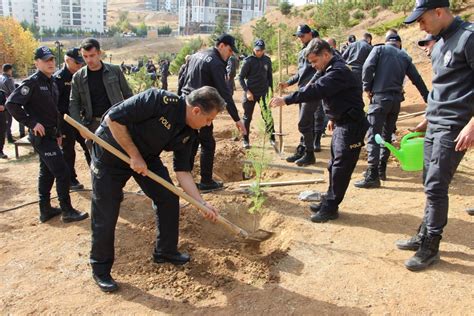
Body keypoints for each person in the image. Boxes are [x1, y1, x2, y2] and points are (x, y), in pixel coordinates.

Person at [90, 86, 222, 292]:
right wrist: (134, 155)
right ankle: (100, 268)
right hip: (112, 149)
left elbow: (183, 171)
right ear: (196, 110)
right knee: (106, 209)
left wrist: (201, 204)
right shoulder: (158, 100)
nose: (208, 124)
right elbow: (113, 119)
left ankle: (165, 251)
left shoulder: (190, 131)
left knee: (168, 197)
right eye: (208, 119)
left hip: (146, 156)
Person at [396, 0, 474, 271]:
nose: (420, 26)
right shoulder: (438, 43)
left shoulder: (468, 38)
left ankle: (431, 246)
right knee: (429, 181)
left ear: (439, 11)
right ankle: (423, 234)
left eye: (422, 19)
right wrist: (426, 119)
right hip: (435, 123)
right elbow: (441, 88)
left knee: (437, 186)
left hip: (455, 126)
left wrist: (472, 125)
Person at [270, 39, 369, 223]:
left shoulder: (337, 71)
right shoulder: (329, 67)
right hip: (341, 123)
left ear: (326, 54)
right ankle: (329, 200)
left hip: (351, 126)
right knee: (333, 165)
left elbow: (317, 90)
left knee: (341, 168)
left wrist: (287, 99)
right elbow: (322, 88)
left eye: (315, 61)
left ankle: (331, 208)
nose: (314, 66)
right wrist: (333, 117)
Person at [5, 46, 88, 223]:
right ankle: (67, 211)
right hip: (41, 137)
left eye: (51, 59)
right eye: (46, 60)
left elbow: (53, 112)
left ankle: (45, 210)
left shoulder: (51, 82)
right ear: (37, 63)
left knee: (47, 172)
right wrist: (31, 122)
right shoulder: (32, 82)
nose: (50, 63)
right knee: (63, 171)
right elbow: (12, 104)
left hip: (51, 135)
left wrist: (57, 132)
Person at [354, 34, 429, 188]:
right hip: (395, 102)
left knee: (374, 135)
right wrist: (428, 98)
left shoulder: (379, 49)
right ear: (399, 44)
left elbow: (367, 67)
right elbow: (417, 79)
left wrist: (367, 87)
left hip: (380, 99)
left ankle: (372, 174)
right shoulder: (404, 56)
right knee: (386, 135)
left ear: (387, 42)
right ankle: (382, 169)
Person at [180, 34, 246, 191]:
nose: (230, 54)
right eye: (229, 50)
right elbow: (224, 93)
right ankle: (206, 181)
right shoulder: (216, 62)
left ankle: (185, 180)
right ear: (221, 46)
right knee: (208, 143)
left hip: (186, 103)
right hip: (201, 109)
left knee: (191, 141)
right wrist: (237, 119)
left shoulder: (197, 54)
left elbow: (183, 79)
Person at [70, 38, 133, 138]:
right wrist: (80, 127)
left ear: (99, 53)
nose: (89, 60)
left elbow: (128, 95)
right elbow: (74, 104)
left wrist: (130, 118)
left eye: (92, 55)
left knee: (120, 152)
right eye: (85, 56)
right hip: (93, 125)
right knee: (97, 153)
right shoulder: (78, 77)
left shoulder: (115, 71)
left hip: (117, 121)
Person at [279, 25, 322, 166]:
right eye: (298, 36)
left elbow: (319, 71)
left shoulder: (316, 49)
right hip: (302, 92)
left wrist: (310, 86)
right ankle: (303, 151)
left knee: (304, 123)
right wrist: (288, 83)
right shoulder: (303, 51)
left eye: (302, 36)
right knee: (305, 123)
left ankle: (309, 154)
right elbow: (300, 73)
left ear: (310, 34)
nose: (300, 38)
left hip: (311, 91)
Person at [53, 48, 90, 190]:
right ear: (67, 60)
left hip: (79, 119)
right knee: (68, 150)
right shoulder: (58, 79)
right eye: (77, 63)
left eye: (81, 63)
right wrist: (57, 128)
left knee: (89, 144)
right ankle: (70, 179)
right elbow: (54, 105)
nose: (80, 66)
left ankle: (97, 174)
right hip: (64, 120)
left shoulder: (80, 76)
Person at [238, 39, 275, 149]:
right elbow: (240, 77)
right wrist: (247, 91)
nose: (259, 52)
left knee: (267, 116)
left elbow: (270, 77)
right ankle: (245, 140)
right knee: (247, 117)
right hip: (251, 93)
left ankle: (272, 138)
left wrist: (271, 91)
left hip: (263, 92)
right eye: (258, 50)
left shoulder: (267, 60)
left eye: (261, 50)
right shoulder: (248, 61)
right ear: (254, 49)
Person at [0, 64, 17, 143]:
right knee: (9, 121)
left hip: (1, 101)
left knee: (4, 120)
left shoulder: (0, 77)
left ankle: (6, 135)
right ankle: (9, 137)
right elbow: (14, 92)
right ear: (9, 70)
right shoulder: (9, 79)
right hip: (8, 101)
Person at [0, 89, 7, 158]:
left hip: (1, 116)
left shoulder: (2, 92)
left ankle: (0, 151)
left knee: (1, 134)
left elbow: (7, 103)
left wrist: (4, 107)